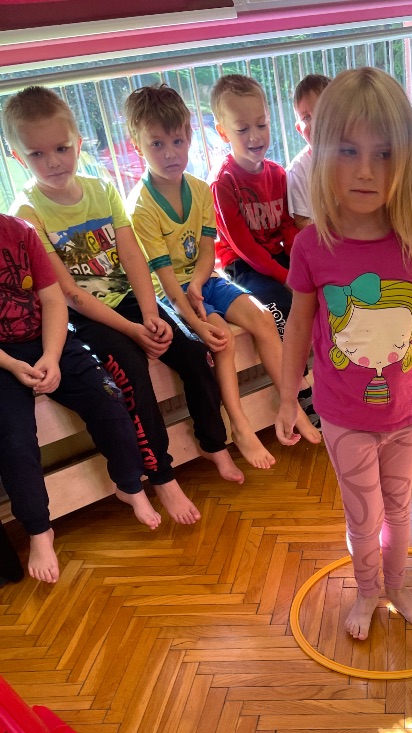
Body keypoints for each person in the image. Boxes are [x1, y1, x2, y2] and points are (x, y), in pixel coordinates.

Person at [274, 68, 412, 641]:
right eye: (348, 150)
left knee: (398, 510)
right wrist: (286, 399)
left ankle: (395, 586)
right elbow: (297, 329)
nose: (366, 170)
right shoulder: (312, 246)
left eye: (384, 153)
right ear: (322, 153)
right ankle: (367, 591)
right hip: (343, 415)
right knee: (363, 514)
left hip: (405, 413)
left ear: (405, 161)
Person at [4, 86, 208, 525]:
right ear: (19, 158)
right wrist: (133, 331)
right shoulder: (28, 211)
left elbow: (132, 256)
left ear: (78, 143)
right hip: (85, 318)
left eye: (61, 148)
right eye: (38, 154)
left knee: (192, 350)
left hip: (132, 299)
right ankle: (162, 476)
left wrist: (150, 314)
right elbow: (69, 294)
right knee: (132, 370)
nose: (53, 162)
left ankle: (214, 443)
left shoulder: (102, 189)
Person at [124, 83, 321, 470]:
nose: (171, 153)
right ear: (138, 146)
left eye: (177, 141)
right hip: (169, 291)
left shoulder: (197, 189)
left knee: (263, 318)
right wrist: (196, 318)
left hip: (203, 279)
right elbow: (165, 278)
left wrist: (200, 282)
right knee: (222, 340)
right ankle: (241, 427)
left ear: (189, 136)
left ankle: (291, 403)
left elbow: (205, 251)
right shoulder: (142, 205)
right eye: (157, 145)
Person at [0, 214, 161, 583]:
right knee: (13, 440)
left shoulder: (21, 231)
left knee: (108, 396)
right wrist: (11, 364)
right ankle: (40, 531)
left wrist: (52, 356)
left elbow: (53, 300)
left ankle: (129, 485)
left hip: (50, 339)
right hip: (3, 360)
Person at [209, 74, 297, 324]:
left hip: (274, 256)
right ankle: (290, 354)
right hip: (243, 265)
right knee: (280, 306)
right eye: (242, 129)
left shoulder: (278, 174)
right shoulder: (223, 182)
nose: (255, 137)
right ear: (223, 132)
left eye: (261, 125)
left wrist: (298, 264)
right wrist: (286, 277)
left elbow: (288, 226)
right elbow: (245, 248)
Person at [287, 74, 331, 231]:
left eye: (323, 112)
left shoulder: (355, 157)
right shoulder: (298, 171)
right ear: (299, 129)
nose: (316, 123)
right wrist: (337, 228)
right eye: (306, 117)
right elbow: (301, 222)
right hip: (323, 241)